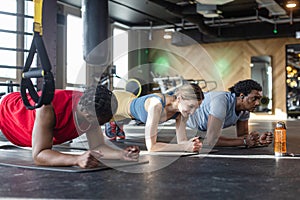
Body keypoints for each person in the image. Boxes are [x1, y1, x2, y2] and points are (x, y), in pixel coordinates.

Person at [0, 85, 139, 169]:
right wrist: (76, 159)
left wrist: (121, 154)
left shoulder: (92, 107)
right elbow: (39, 155)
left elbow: (97, 147)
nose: (100, 126)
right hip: (7, 115)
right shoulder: (49, 107)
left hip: (24, 124)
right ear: (89, 116)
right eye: (100, 123)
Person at [106, 83, 204, 152]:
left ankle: (118, 123)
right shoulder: (156, 105)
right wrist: (184, 147)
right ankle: (112, 122)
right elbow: (152, 147)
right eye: (191, 106)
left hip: (130, 110)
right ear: (179, 98)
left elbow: (181, 142)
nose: (192, 112)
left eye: (196, 108)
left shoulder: (182, 111)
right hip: (117, 103)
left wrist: (190, 144)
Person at [186, 79, 273, 148]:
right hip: (185, 113)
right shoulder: (221, 101)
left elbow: (243, 136)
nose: (258, 103)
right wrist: (245, 141)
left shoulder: (245, 110)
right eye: (254, 98)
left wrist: (257, 141)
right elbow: (211, 140)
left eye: (259, 99)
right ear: (242, 96)